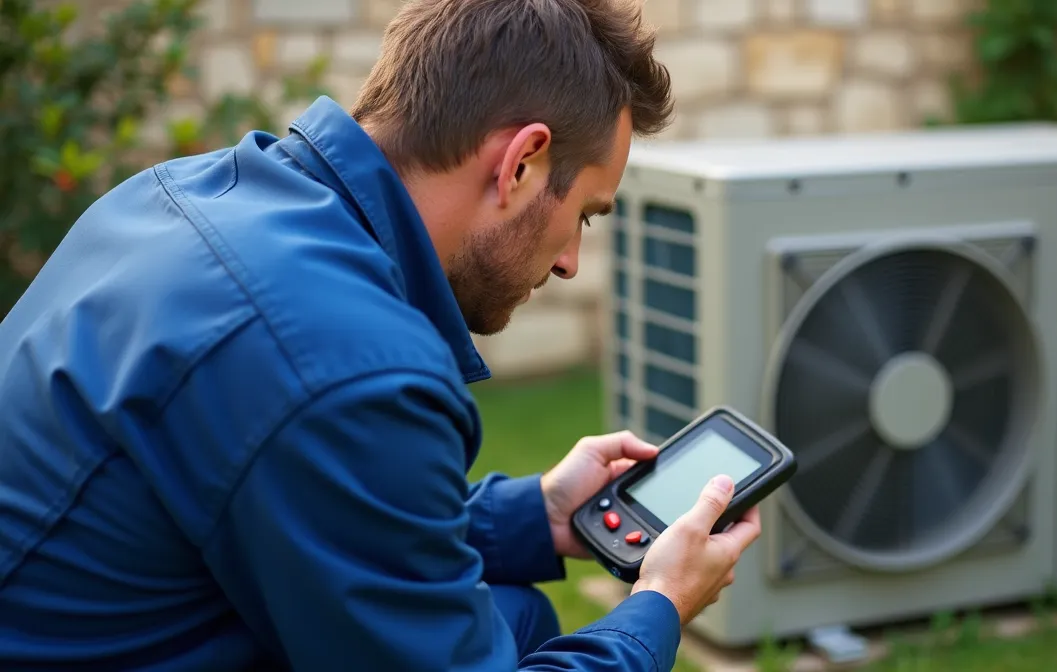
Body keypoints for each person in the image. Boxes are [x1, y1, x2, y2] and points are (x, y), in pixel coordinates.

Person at [0, 0, 763, 670]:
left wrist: (534, 515)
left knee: (518, 613)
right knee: (519, 624)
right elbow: (317, 414)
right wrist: (659, 603)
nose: (569, 262)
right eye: (585, 215)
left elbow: (298, 498)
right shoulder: (349, 367)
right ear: (523, 163)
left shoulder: (179, 195)